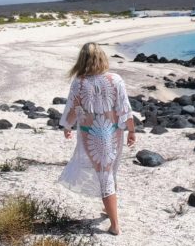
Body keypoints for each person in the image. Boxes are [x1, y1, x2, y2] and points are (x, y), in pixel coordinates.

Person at [57, 42, 136, 234]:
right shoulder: (115, 79)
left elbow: (73, 108)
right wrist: (132, 131)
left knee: (105, 174)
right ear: (102, 57)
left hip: (91, 134)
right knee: (108, 172)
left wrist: (67, 126)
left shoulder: (79, 82)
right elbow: (124, 109)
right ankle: (110, 211)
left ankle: (115, 225)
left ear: (82, 60)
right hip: (113, 133)